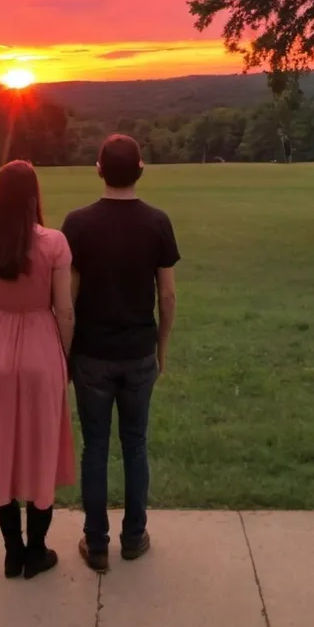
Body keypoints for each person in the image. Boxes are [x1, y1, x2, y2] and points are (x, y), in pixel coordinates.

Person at [62, 134, 179, 574]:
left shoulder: (77, 223)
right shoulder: (157, 222)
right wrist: (161, 346)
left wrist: (65, 351)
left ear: (98, 169)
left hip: (91, 353)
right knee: (135, 445)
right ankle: (134, 538)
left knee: (94, 446)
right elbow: (167, 297)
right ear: (141, 169)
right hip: (138, 352)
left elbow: (67, 300)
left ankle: (96, 543)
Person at [0, 160, 76, 579]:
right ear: (33, 197)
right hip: (41, 346)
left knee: (1, 451)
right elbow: (64, 309)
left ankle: (12, 552)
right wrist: (64, 355)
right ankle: (36, 550)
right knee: (40, 449)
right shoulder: (54, 243)